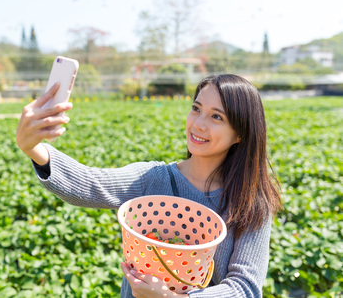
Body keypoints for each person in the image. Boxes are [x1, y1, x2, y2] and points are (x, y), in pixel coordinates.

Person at [16, 74, 283, 298]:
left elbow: (245, 287)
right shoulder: (154, 178)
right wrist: (33, 148)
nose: (198, 124)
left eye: (217, 117)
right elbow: (91, 183)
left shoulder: (250, 203)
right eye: (196, 108)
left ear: (240, 133)